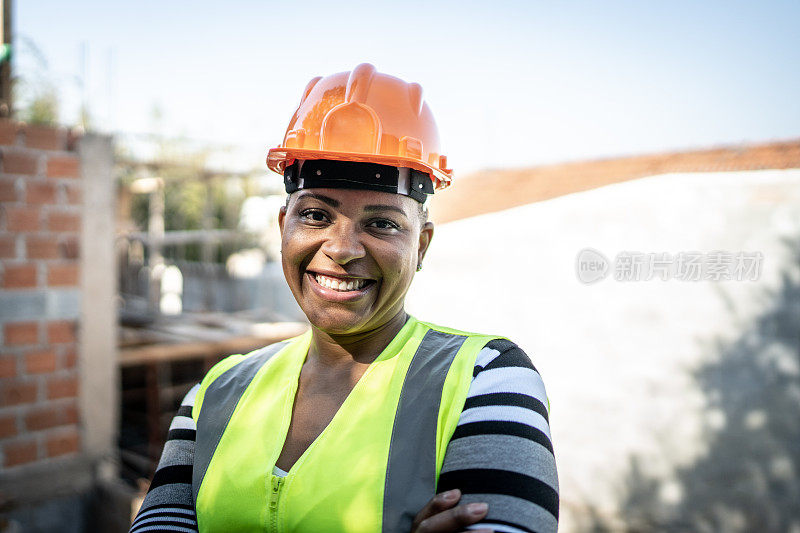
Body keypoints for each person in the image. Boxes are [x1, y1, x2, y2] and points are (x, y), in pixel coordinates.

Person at [129, 64, 558, 533]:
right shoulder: (215, 393)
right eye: (315, 214)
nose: (341, 249)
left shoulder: (485, 378)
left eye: (383, 223)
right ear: (282, 228)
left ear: (422, 246)